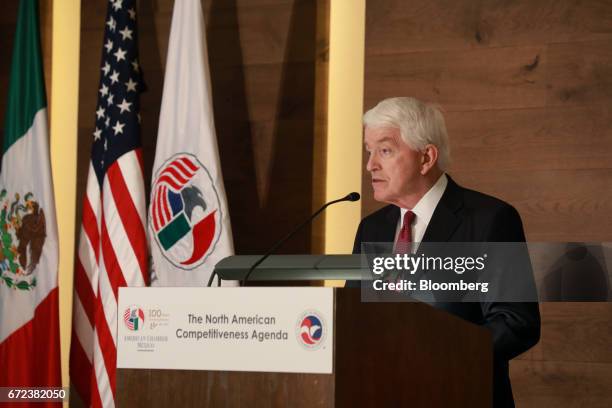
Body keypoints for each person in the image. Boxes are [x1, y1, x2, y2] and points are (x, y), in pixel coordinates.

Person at [350, 97, 540, 408]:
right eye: (369, 151)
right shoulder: (371, 229)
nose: (370, 164)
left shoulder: (489, 219)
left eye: (384, 150)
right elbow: (352, 319)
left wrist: (437, 355)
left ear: (426, 157)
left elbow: (517, 322)